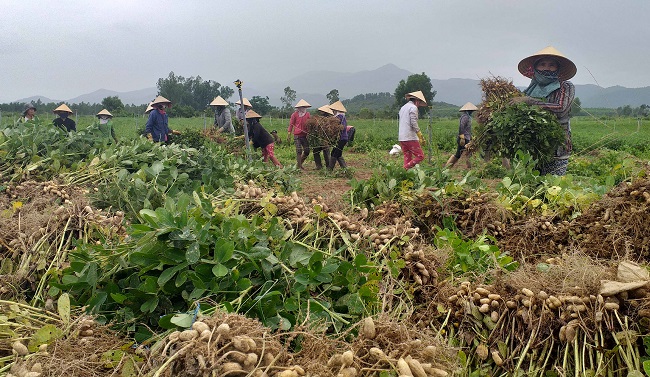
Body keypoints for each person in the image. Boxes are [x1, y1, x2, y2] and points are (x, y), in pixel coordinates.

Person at [510, 46, 576, 176]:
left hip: (557, 148)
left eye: (552, 65)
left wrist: (530, 102)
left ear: (558, 68)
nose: (547, 68)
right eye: (542, 64)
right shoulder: (530, 90)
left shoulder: (565, 86)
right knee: (532, 189)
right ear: (535, 67)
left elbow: (560, 108)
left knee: (552, 189)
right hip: (532, 148)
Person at [398, 91, 427, 169]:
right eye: (419, 103)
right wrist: (419, 134)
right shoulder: (413, 108)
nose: (419, 105)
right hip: (410, 136)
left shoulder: (403, 107)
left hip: (402, 137)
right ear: (417, 101)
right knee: (420, 156)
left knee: (407, 157)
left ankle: (405, 175)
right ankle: (403, 170)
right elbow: (413, 122)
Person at [445, 102, 477, 169]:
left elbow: (467, 129)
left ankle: (447, 167)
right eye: (471, 111)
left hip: (466, 138)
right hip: (463, 138)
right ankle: (469, 168)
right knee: (466, 153)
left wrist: (471, 137)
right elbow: (461, 127)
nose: (472, 112)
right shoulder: (465, 117)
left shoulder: (468, 117)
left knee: (462, 154)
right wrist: (462, 138)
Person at [287, 99, 311, 170]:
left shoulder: (307, 114)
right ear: (298, 108)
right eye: (302, 107)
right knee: (299, 151)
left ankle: (299, 163)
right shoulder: (294, 115)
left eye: (304, 107)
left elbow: (310, 124)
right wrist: (289, 134)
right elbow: (291, 124)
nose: (303, 108)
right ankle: (299, 166)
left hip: (305, 135)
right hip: (297, 135)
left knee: (307, 151)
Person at [327, 100, 349, 170]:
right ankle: (344, 169)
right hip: (339, 139)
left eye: (333, 110)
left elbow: (343, 127)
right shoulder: (337, 117)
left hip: (342, 138)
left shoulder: (341, 117)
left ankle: (330, 170)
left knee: (335, 154)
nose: (333, 112)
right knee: (336, 153)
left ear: (336, 110)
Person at [311, 105, 333, 170]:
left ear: (324, 111)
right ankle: (321, 166)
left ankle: (326, 166)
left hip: (325, 138)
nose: (321, 112)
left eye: (322, 111)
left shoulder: (330, 119)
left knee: (325, 151)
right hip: (319, 138)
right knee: (317, 151)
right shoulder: (320, 119)